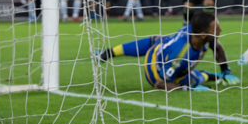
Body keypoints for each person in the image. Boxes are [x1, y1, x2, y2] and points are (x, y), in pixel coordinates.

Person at [93, 12, 239, 91]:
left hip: (167, 50)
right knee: (193, 81)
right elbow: (160, 84)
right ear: (202, 34)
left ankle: (216, 75)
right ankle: (107, 53)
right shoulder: (180, 55)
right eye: (216, 28)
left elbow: (217, 47)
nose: (221, 30)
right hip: (154, 69)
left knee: (159, 38)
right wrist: (188, 89)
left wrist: (226, 69)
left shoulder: (202, 35)